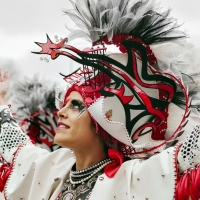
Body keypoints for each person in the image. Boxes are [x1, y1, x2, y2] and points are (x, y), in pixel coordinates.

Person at [0, 0, 200, 199]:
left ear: (102, 122)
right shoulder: (53, 168)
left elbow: (191, 153)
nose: (60, 111)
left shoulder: (134, 179)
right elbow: (15, 150)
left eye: (76, 105)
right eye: (66, 104)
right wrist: (1, 100)